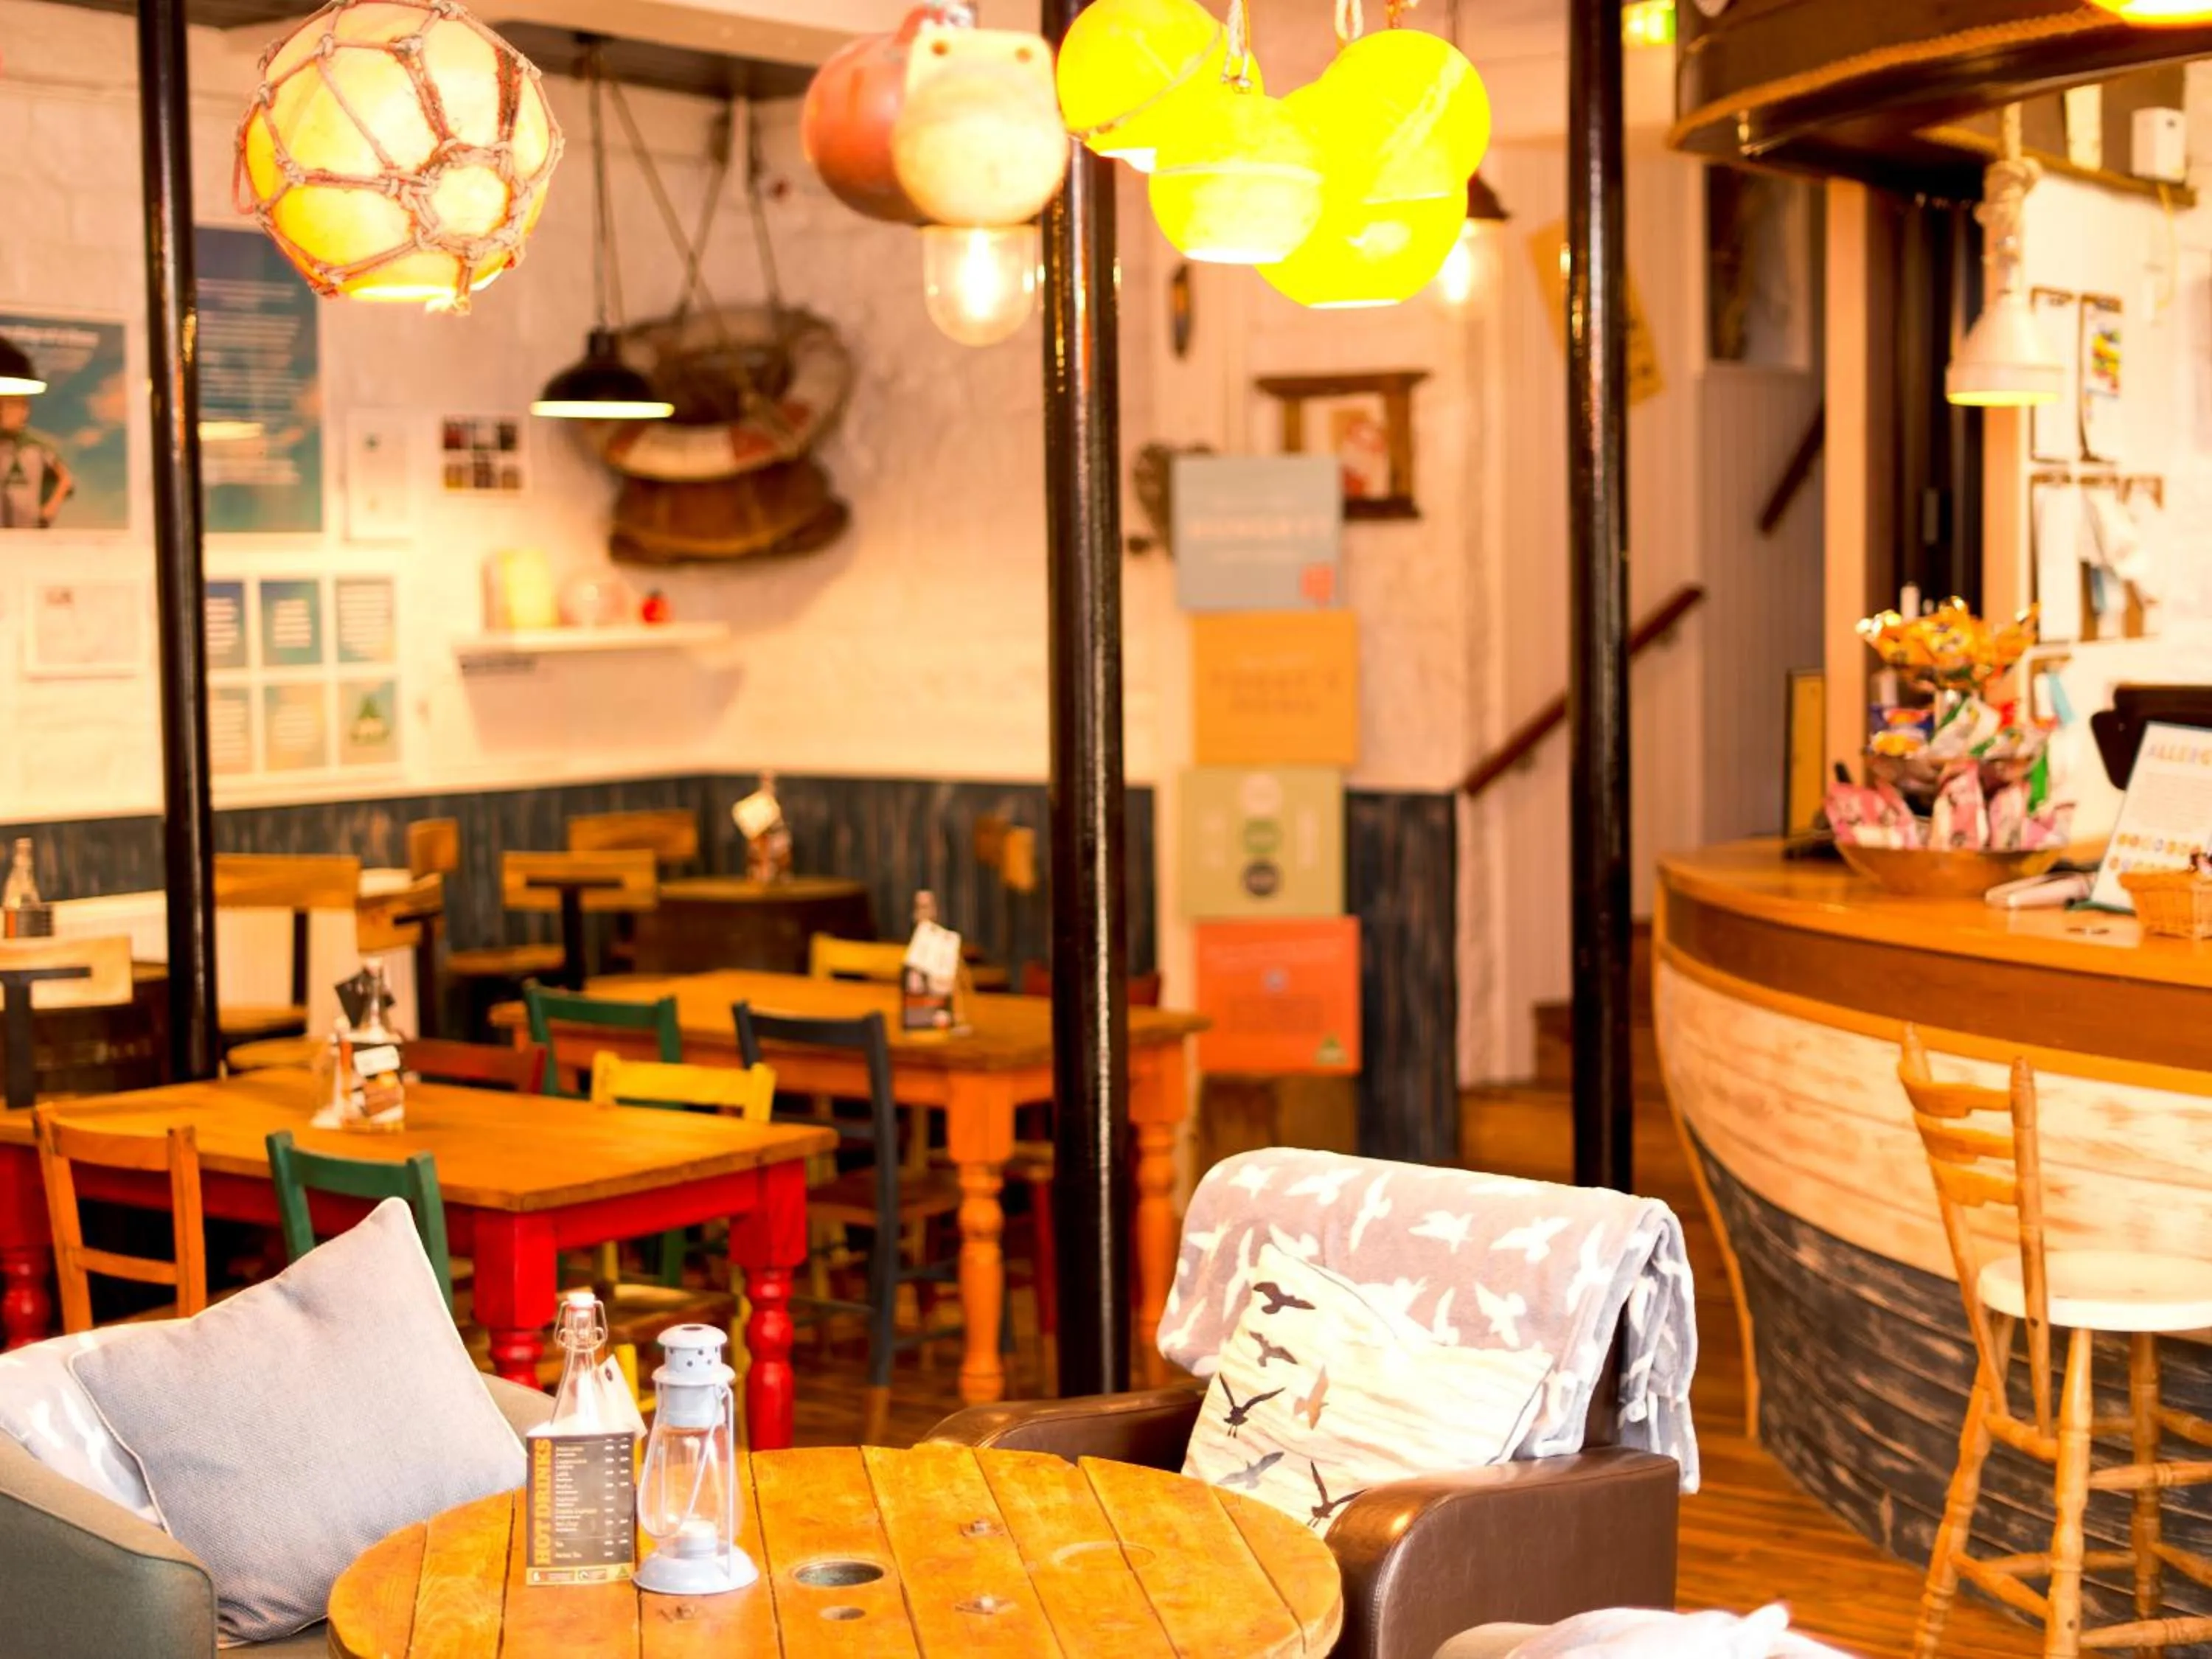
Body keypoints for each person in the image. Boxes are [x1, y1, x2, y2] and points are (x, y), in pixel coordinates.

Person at [0, 394, 73, 529]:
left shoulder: (38, 447)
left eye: (11, 406)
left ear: (25, 411)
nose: (5, 412)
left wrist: (50, 508)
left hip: (29, 525)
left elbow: (65, 479)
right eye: (2, 406)